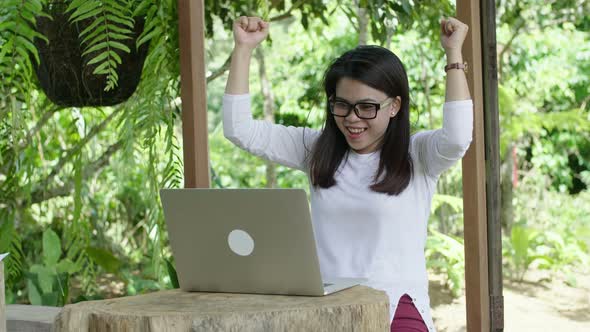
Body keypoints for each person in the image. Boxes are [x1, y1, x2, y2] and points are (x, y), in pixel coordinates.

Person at [223, 15, 472, 332]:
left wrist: (453, 55)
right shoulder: (315, 150)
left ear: (394, 106)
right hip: (327, 309)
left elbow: (459, 136)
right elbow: (239, 130)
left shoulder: (418, 155)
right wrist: (243, 49)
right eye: (341, 105)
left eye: (367, 107)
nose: (352, 119)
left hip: (396, 308)